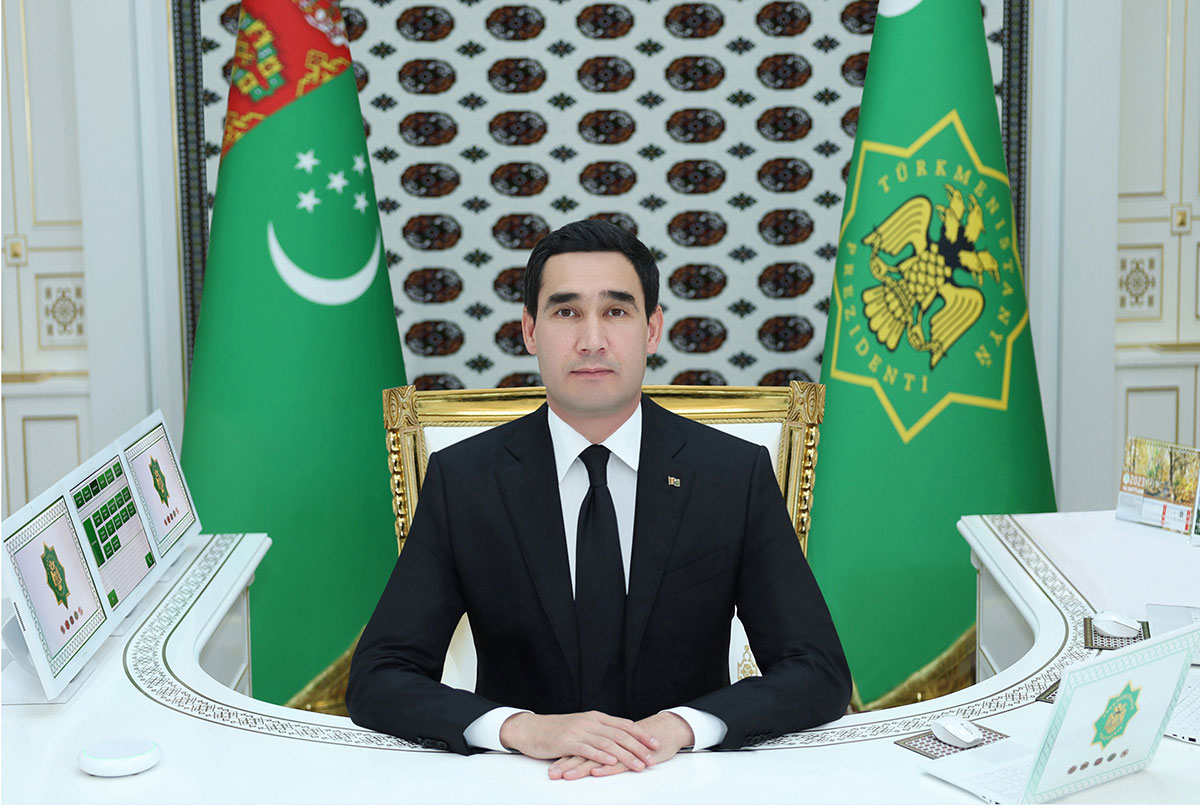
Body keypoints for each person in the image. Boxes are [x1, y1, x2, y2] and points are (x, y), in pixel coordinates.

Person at [346, 219, 851, 779]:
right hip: (524, 783)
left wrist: (680, 727)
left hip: (685, 781)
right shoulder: (465, 479)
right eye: (566, 312)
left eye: (615, 311)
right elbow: (379, 676)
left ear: (652, 329)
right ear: (530, 331)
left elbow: (817, 670)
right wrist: (522, 728)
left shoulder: (731, 474)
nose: (591, 340)